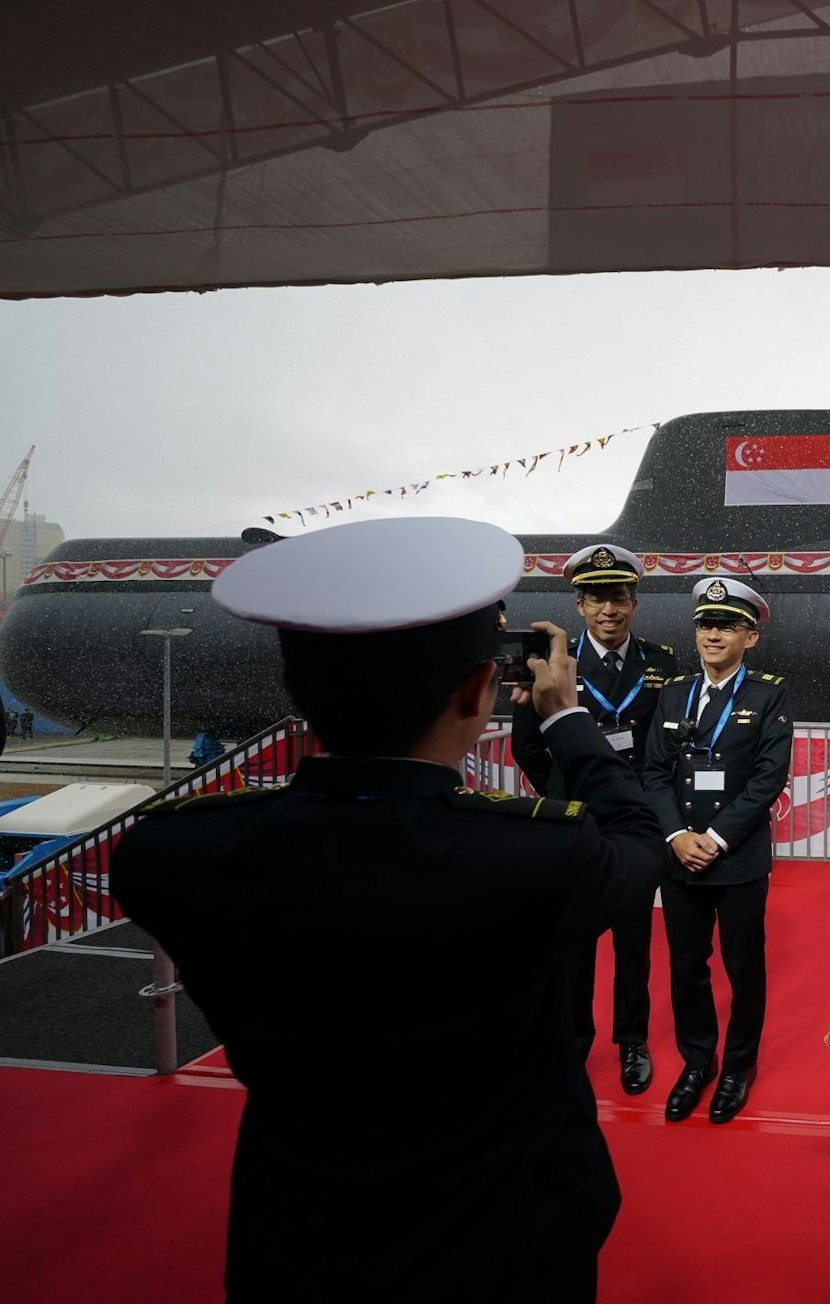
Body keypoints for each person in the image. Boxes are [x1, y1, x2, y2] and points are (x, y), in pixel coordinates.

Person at [111, 517, 667, 1304]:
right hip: (506, 1247)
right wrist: (569, 718)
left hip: (300, 1246)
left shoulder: (179, 858)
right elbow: (639, 838)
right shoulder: (538, 860)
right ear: (479, 691)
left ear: (300, 690)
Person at [510, 542, 680, 1095]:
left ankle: (631, 1042)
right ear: (579, 606)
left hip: (631, 820)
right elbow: (529, 745)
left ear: (634, 603)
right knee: (573, 945)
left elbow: (664, 749)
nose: (609, 608)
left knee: (634, 942)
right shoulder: (554, 662)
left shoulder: (662, 664)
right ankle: (574, 1044)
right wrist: (561, 795)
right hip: (573, 820)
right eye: (596, 599)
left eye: (618, 597)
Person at [642, 575, 792, 1124]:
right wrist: (677, 836)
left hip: (738, 860)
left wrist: (717, 838)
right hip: (679, 856)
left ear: (749, 637)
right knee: (686, 967)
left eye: (727, 625)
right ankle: (697, 1061)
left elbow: (767, 779)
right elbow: (654, 773)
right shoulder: (675, 692)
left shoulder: (769, 693)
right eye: (706, 624)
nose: (713, 634)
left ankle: (737, 1068)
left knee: (743, 966)